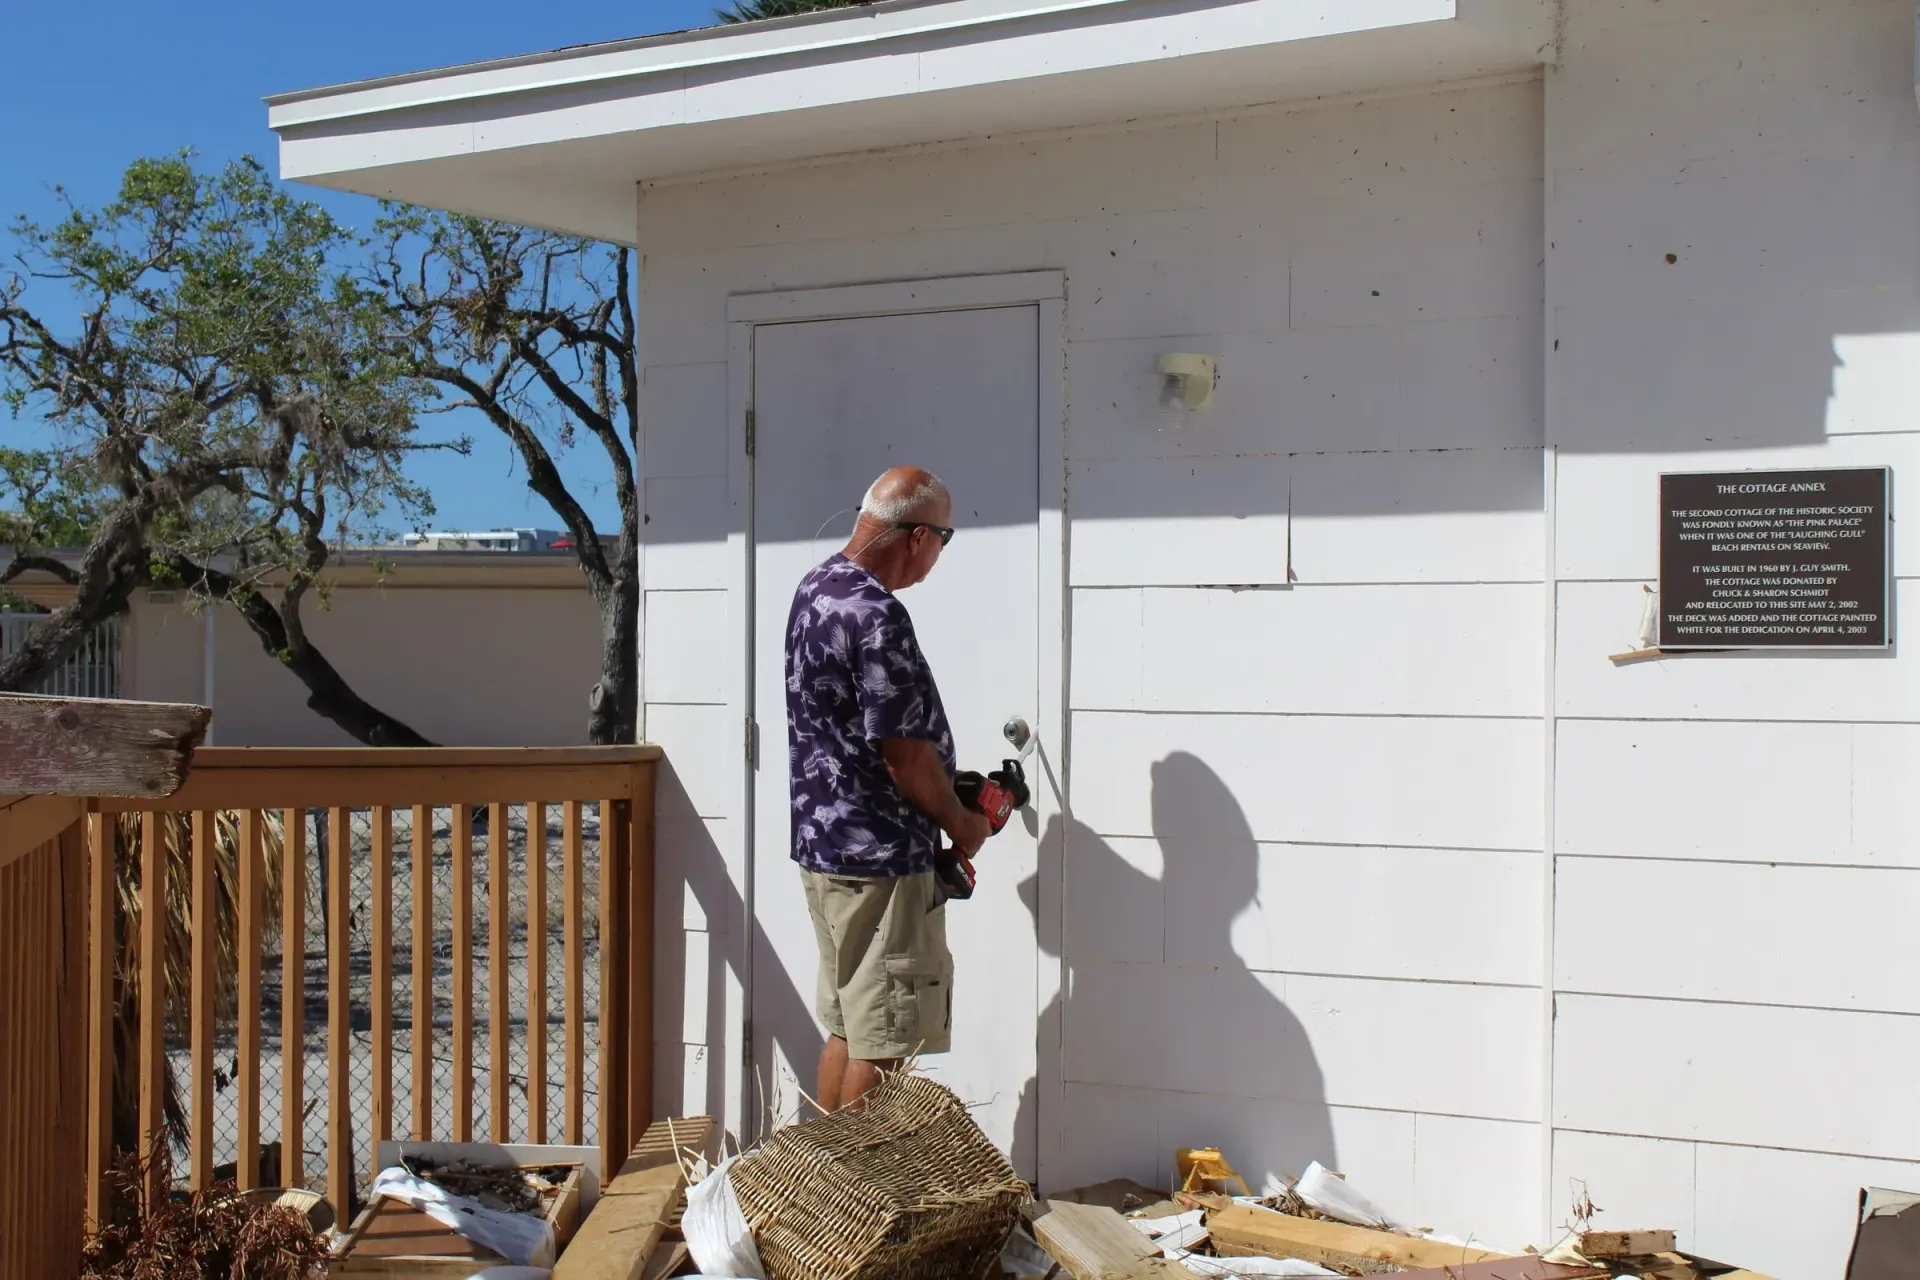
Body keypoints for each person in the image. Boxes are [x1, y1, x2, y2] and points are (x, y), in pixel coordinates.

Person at [784, 465, 994, 1112]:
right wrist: (964, 823)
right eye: (944, 539)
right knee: (885, 1040)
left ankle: (819, 1182)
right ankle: (852, 1192)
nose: (938, 555)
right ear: (917, 536)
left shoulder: (817, 587)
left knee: (851, 1025)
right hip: (881, 859)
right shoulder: (877, 615)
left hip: (825, 848)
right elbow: (903, 756)